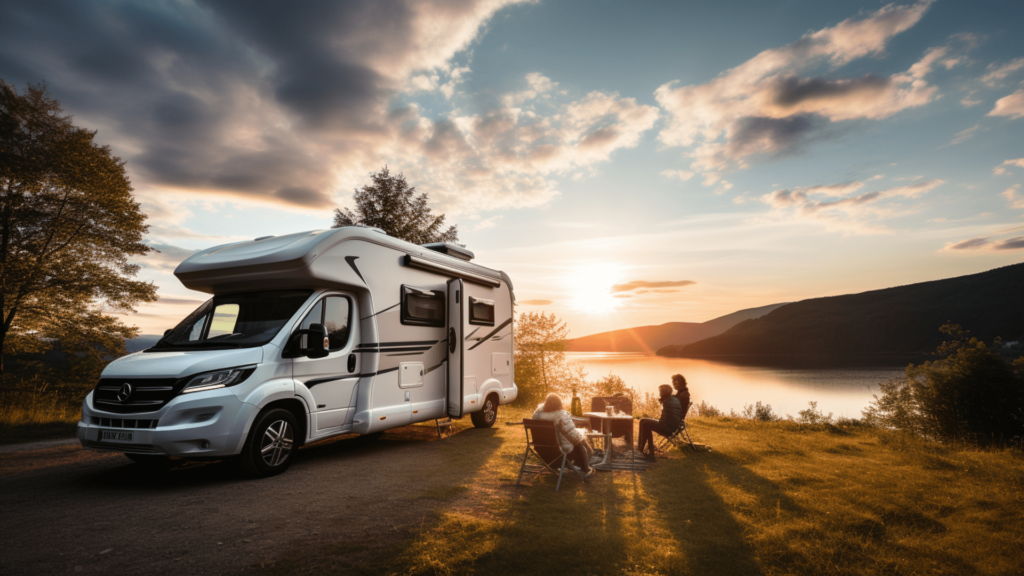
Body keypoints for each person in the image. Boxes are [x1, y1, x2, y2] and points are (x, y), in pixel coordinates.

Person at [533, 393, 595, 476]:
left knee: (573, 439)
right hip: (560, 449)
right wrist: (586, 444)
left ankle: (563, 466)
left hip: (542, 448)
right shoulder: (561, 416)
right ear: (559, 404)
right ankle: (585, 469)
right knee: (579, 445)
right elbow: (573, 435)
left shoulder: (537, 415)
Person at [637, 384, 682, 460]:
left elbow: (664, 420)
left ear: (664, 392)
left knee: (645, 424)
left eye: (660, 391)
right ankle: (640, 449)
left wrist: (658, 422)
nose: (659, 393)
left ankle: (649, 453)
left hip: (667, 428)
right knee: (642, 420)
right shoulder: (674, 399)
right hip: (673, 427)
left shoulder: (667, 401)